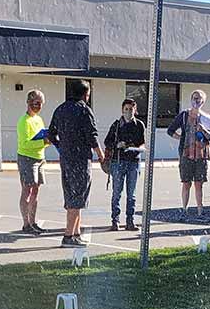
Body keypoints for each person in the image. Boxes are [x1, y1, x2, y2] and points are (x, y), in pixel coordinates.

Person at [48, 79, 105, 248]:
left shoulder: (60, 109)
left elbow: (51, 134)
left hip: (65, 159)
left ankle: (76, 233)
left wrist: (61, 146)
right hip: (81, 159)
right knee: (78, 197)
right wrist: (101, 156)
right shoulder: (85, 111)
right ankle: (68, 236)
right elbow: (92, 137)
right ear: (86, 94)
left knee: (71, 195)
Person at [167, 89, 210, 224]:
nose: (196, 101)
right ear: (191, 99)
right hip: (186, 155)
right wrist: (181, 138)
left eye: (199, 99)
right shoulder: (183, 115)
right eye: (194, 98)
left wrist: (203, 130)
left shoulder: (206, 118)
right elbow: (170, 130)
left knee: (199, 184)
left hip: (201, 156)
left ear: (203, 101)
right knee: (186, 183)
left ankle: (200, 212)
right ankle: (184, 210)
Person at [104, 98, 146, 231]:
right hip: (119, 161)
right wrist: (117, 145)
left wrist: (136, 147)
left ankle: (130, 221)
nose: (128, 112)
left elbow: (143, 143)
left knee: (131, 194)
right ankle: (115, 220)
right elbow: (107, 142)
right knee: (117, 192)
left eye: (131, 109)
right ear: (122, 110)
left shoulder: (139, 125)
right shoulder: (116, 125)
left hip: (133, 161)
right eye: (126, 109)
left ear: (135, 110)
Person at [16, 89, 50, 236]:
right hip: (27, 158)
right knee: (27, 190)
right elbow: (25, 144)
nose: (39, 106)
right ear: (29, 102)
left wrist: (47, 141)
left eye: (41, 103)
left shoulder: (39, 119)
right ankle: (26, 224)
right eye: (36, 103)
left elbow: (43, 140)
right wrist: (43, 142)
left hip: (39, 158)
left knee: (36, 190)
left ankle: (33, 222)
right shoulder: (24, 121)